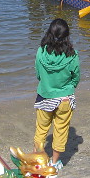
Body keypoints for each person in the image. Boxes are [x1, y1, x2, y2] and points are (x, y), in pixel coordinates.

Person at [33, 19, 80, 170]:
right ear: (67, 36)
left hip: (45, 96)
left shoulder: (41, 51)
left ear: (49, 33)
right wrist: (69, 88)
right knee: (61, 131)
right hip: (65, 98)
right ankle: (54, 162)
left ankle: (39, 161)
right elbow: (76, 77)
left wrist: (47, 84)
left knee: (41, 130)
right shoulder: (72, 54)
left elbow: (38, 74)